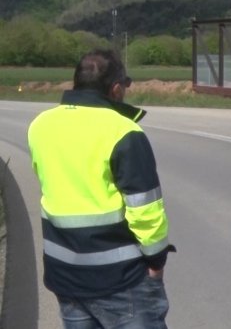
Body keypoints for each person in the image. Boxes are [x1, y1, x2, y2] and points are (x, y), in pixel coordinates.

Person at [28, 49, 175, 328]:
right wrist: (156, 261)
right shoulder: (122, 131)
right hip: (120, 280)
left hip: (65, 275)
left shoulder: (40, 125)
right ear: (116, 89)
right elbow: (145, 210)